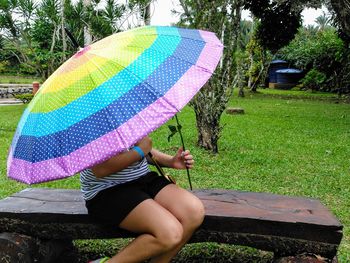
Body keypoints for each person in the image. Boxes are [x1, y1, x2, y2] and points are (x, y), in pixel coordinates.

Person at [80, 136, 205, 263]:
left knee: (193, 211)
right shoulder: (88, 123)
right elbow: (101, 169)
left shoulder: (123, 116)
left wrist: (171, 161)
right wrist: (139, 151)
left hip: (143, 179)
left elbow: (140, 146)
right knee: (169, 233)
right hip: (108, 191)